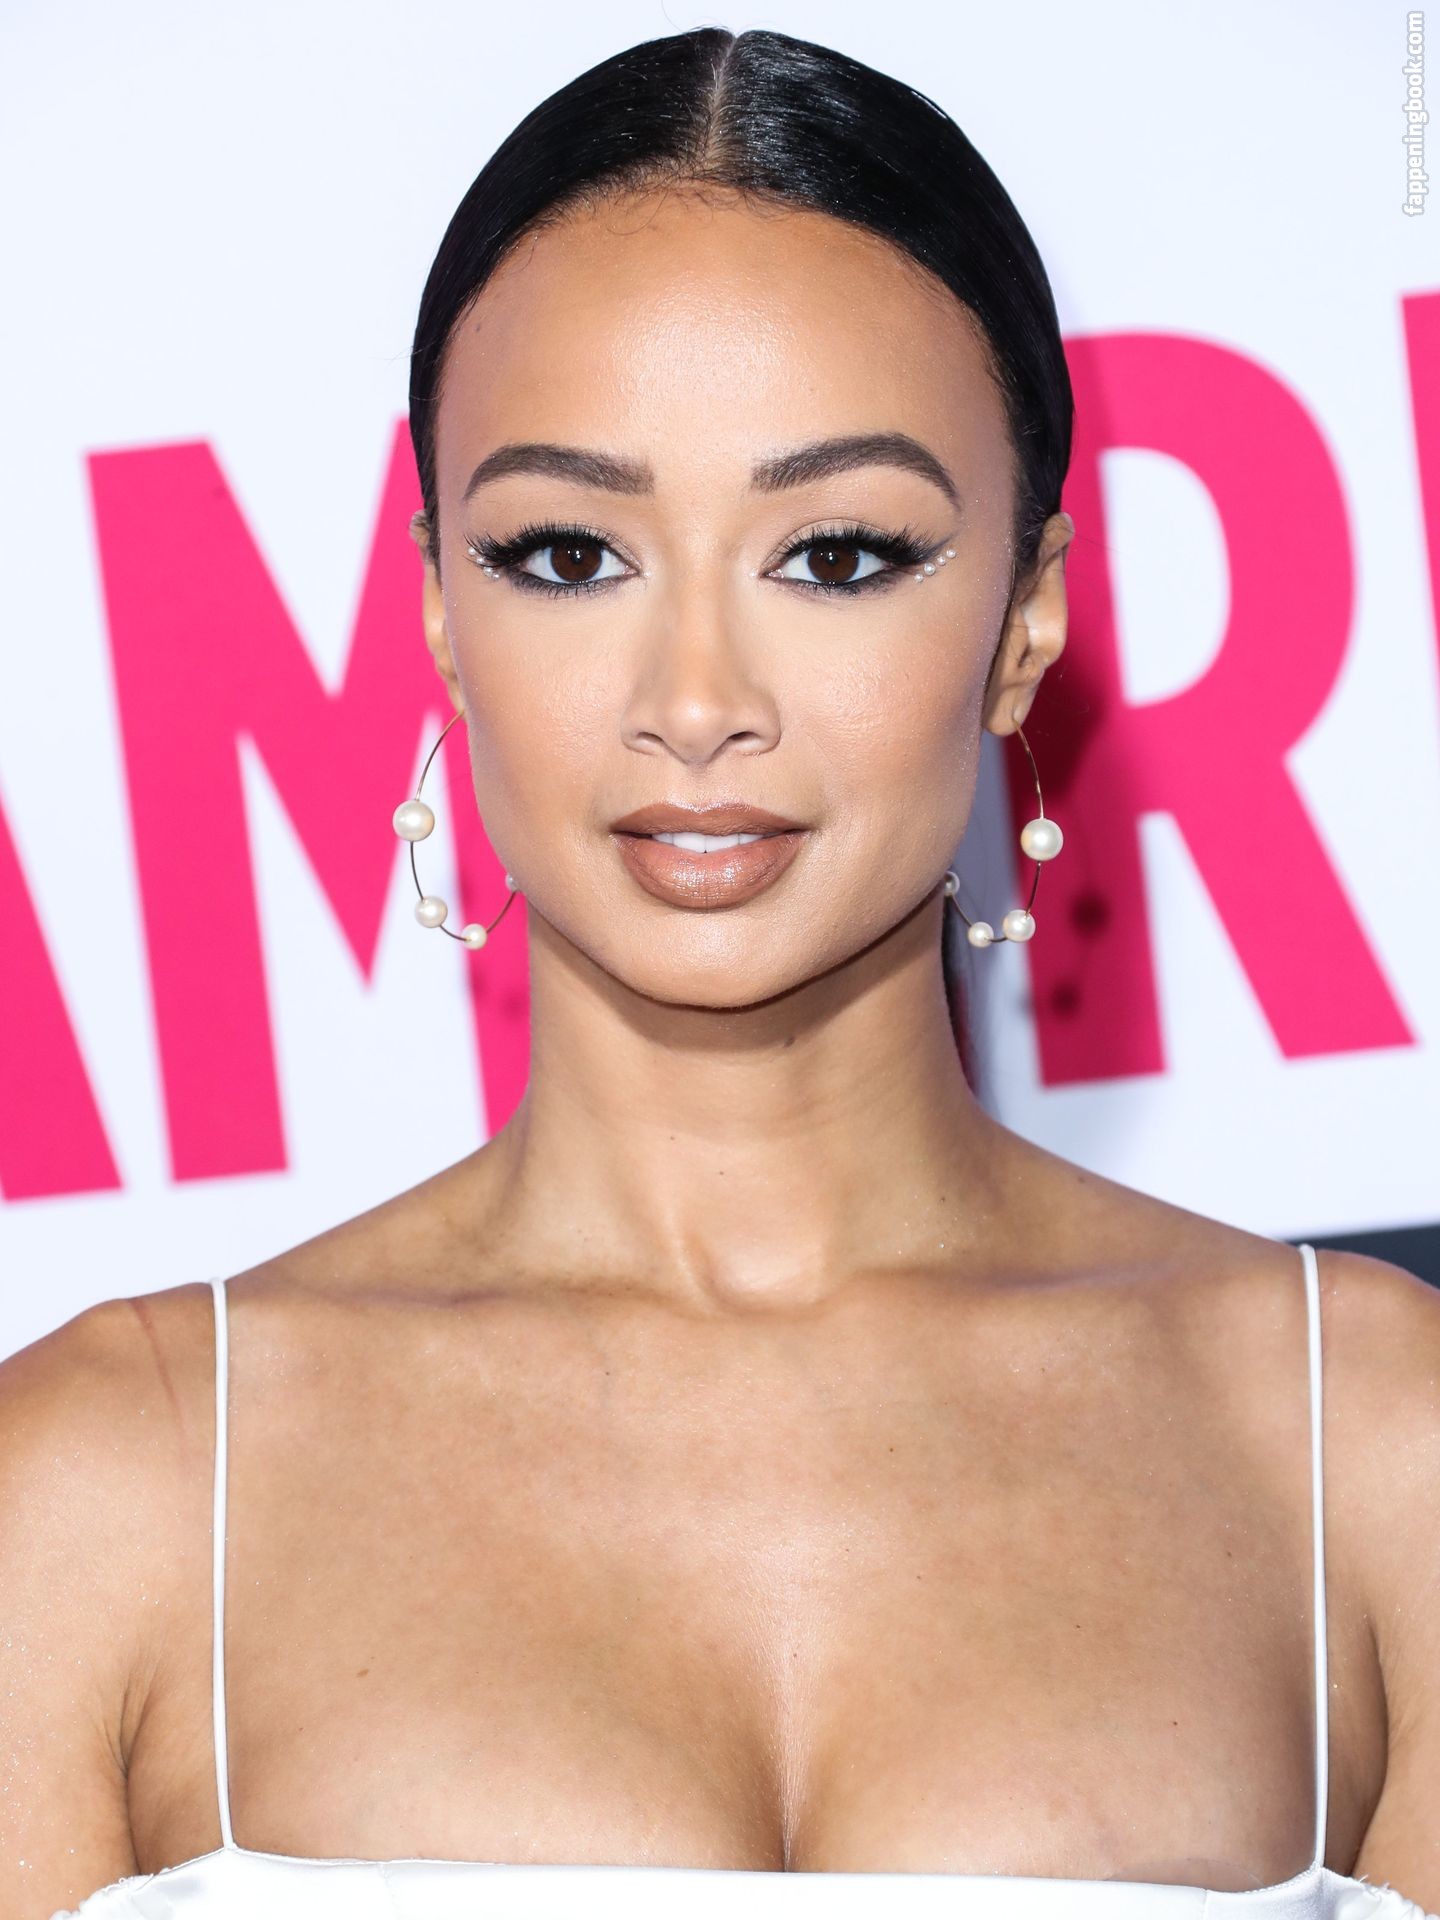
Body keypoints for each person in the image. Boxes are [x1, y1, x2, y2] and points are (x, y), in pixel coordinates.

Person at [5, 25, 1438, 1920]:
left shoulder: (1373, 1449)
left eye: (836, 555)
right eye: (566, 553)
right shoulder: (98, 1494)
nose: (695, 703)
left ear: (1026, 622)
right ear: (437, 609)